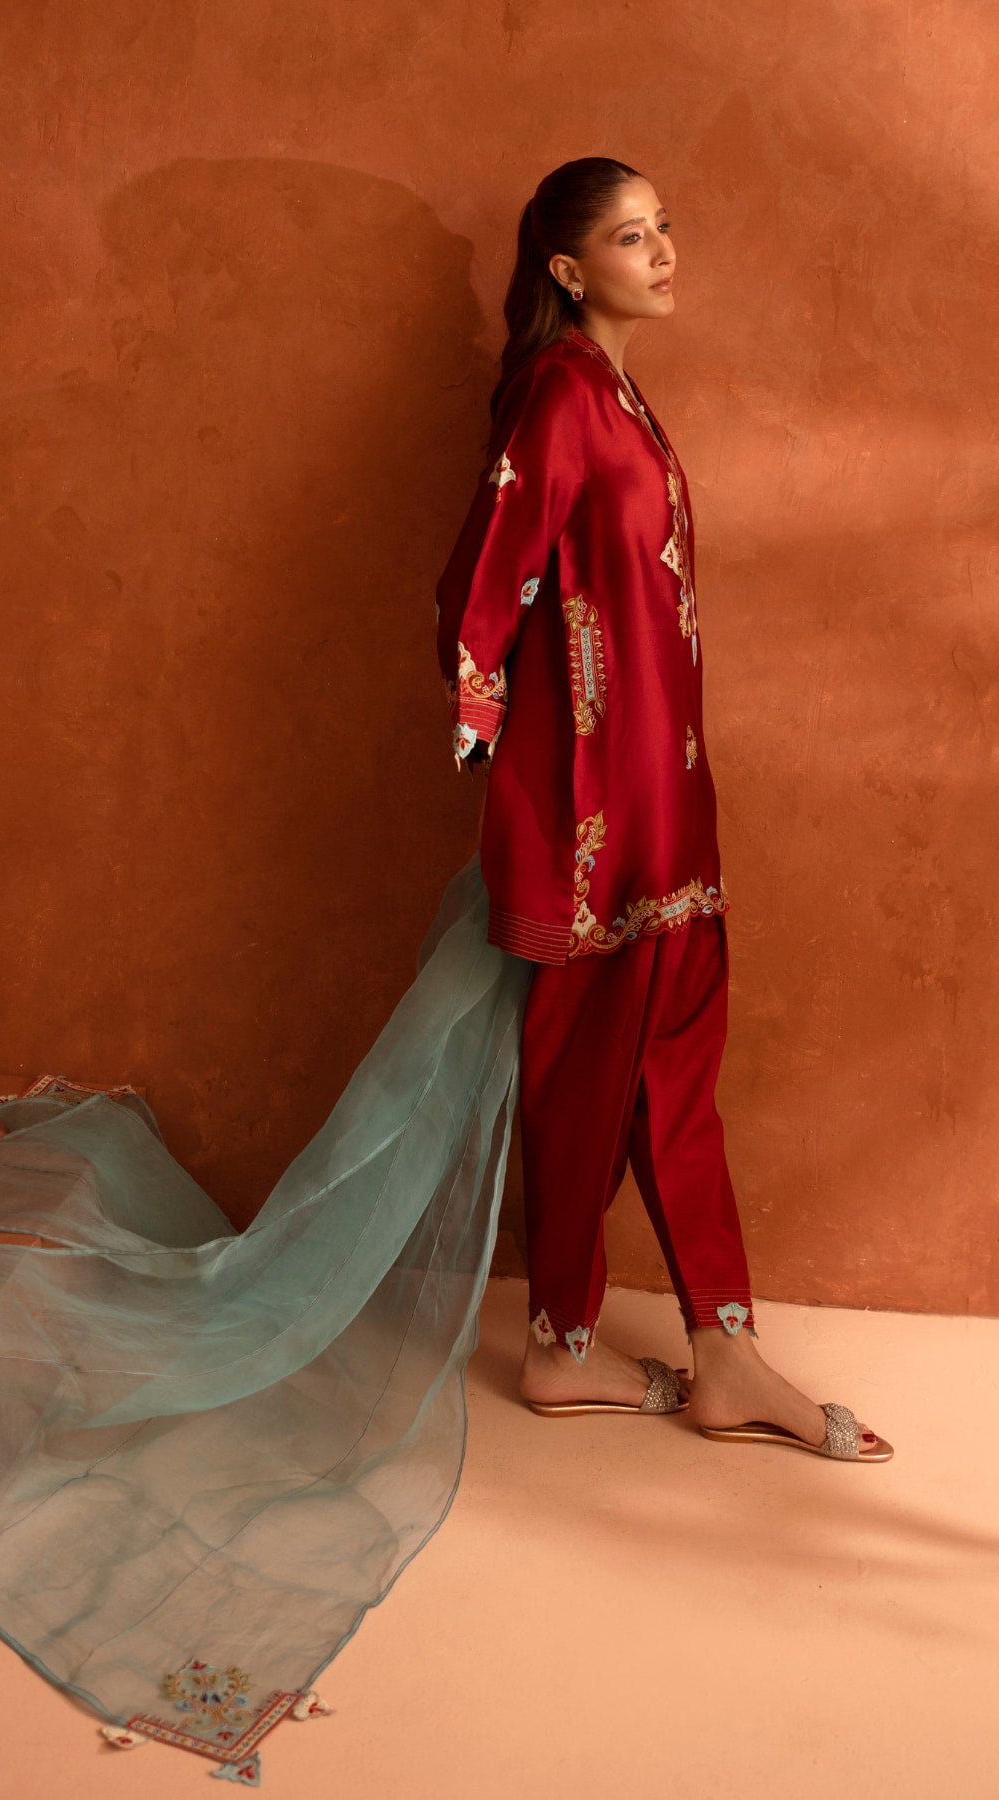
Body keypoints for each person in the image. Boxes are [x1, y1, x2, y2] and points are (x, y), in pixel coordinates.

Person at [434, 156, 892, 1463]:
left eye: (664, 227)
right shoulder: (563, 392)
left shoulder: (619, 395)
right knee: (589, 1068)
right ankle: (562, 1344)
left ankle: (722, 1350)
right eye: (631, 236)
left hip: (663, 786)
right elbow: (489, 567)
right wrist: (484, 722)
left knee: (678, 1063)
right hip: (594, 802)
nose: (663, 250)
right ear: (569, 268)